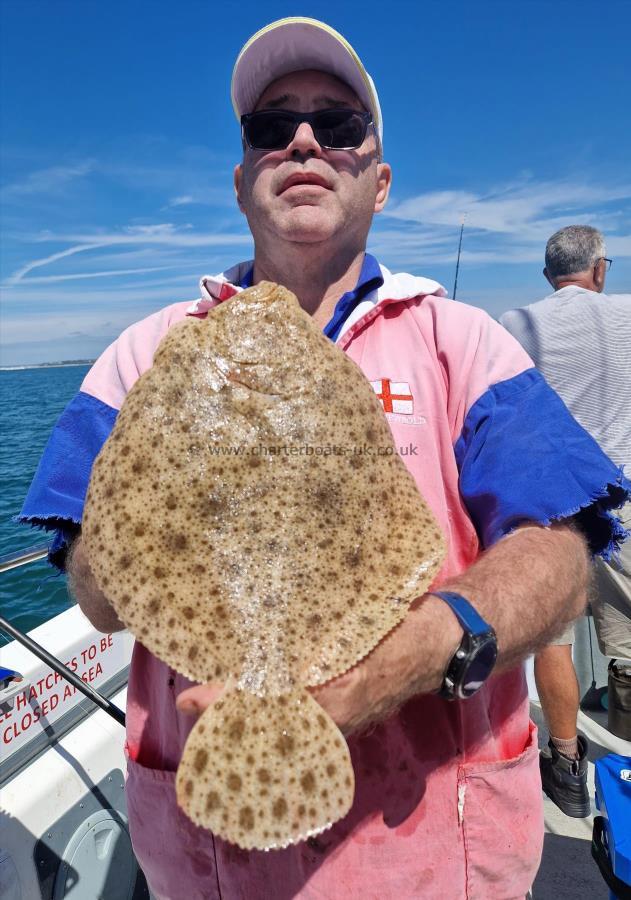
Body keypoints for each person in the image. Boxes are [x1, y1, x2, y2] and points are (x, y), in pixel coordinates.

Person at [20, 18, 630, 900]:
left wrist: (413, 654)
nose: (303, 140)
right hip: (206, 859)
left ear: (378, 182)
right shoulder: (142, 353)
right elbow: (93, 579)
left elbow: (561, 550)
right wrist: (127, 561)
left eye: (337, 126)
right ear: (241, 181)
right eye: (272, 128)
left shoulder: (466, 342)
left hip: (437, 850)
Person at [500, 225, 631, 816]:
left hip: (553, 503)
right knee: (627, 641)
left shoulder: (515, 323)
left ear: (548, 275)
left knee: (553, 638)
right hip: (622, 497)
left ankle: (567, 762)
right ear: (600, 270)